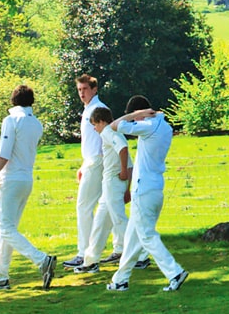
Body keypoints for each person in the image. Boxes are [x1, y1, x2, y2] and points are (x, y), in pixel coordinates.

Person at [0, 85, 55, 290]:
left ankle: (42, 260)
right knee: (7, 229)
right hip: (26, 179)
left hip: (11, 179)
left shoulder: (11, 120)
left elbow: (4, 154)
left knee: (6, 228)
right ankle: (1, 276)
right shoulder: (36, 124)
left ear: (13, 101)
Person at [107, 97, 188, 292]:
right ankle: (120, 280)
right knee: (133, 238)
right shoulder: (166, 127)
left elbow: (115, 125)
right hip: (154, 188)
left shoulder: (148, 126)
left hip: (143, 190)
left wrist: (135, 115)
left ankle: (174, 272)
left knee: (146, 236)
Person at [67, 74, 119, 270]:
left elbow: (104, 138)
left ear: (94, 89)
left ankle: (84, 252)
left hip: (97, 160)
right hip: (91, 161)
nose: (82, 93)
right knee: (107, 205)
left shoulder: (99, 109)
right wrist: (83, 164)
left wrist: (96, 161)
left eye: (85, 89)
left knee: (84, 206)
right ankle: (118, 247)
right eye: (79, 90)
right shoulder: (88, 110)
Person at [75, 106, 129, 276]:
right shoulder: (112, 132)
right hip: (109, 184)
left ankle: (140, 253)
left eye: (94, 124)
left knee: (119, 220)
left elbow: (123, 148)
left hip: (113, 181)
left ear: (102, 121)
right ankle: (90, 261)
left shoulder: (107, 132)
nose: (94, 128)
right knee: (100, 223)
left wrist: (123, 171)